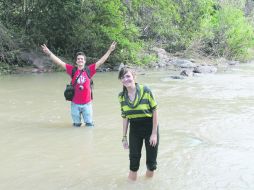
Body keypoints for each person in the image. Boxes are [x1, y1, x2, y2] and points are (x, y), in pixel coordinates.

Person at [41, 41, 116, 127]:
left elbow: (100, 62)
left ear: (84, 61)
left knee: (89, 125)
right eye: (78, 59)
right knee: (76, 125)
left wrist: (109, 50)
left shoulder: (89, 70)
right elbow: (60, 62)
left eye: (82, 59)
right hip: (75, 104)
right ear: (76, 61)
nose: (80, 60)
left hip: (87, 104)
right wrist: (49, 53)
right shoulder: (72, 70)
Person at [118, 66, 159, 181]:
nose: (125, 79)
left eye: (128, 76)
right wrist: (124, 137)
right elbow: (125, 117)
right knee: (133, 161)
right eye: (122, 77)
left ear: (134, 77)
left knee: (151, 163)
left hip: (150, 127)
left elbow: (155, 110)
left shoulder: (145, 90)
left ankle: (148, 185)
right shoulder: (121, 97)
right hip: (135, 129)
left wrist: (154, 133)